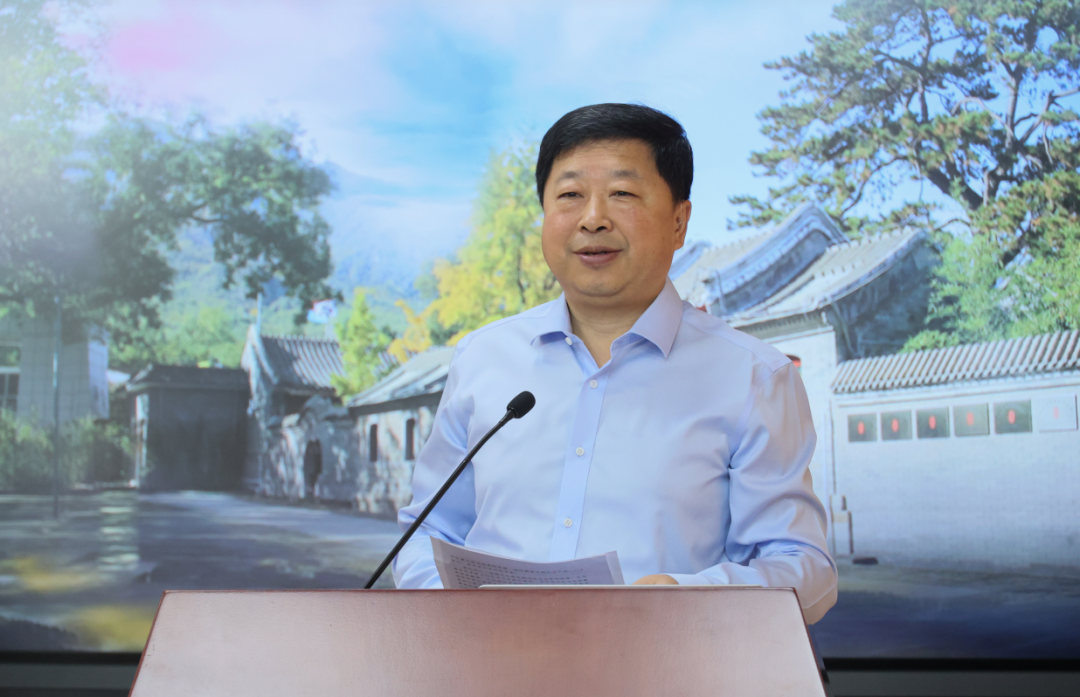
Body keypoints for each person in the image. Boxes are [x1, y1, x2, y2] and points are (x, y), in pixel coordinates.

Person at [392, 103, 837, 623]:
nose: (593, 218)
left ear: (679, 222)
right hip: (489, 657)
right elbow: (426, 533)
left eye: (622, 194)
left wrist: (686, 597)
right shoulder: (483, 359)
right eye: (569, 196)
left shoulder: (753, 377)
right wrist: (456, 612)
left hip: (667, 658)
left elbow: (804, 568)